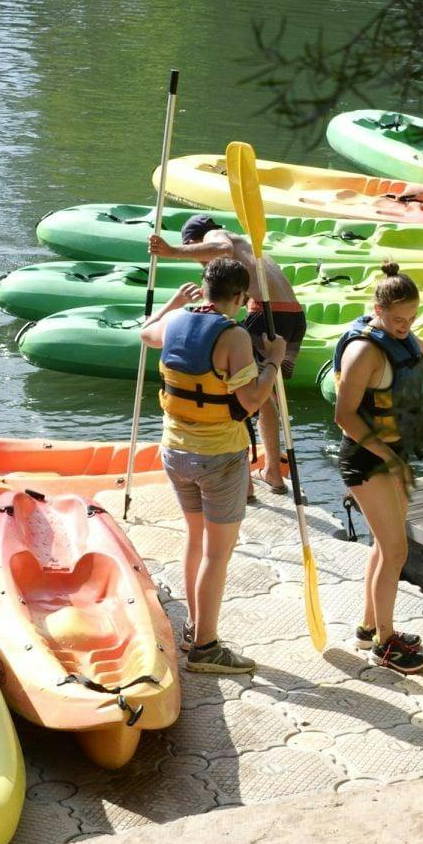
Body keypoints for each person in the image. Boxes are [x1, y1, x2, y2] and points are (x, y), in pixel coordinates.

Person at [138, 257, 287, 674]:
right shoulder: (235, 335)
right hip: (218, 456)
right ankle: (206, 645)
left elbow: (145, 333)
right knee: (217, 554)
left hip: (174, 450)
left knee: (196, 539)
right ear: (240, 297)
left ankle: (193, 627)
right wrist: (273, 359)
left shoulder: (176, 322)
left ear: (204, 289)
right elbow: (251, 401)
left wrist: (171, 302)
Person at [329, 262, 423, 674]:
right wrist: (388, 458)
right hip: (367, 459)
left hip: (394, 455)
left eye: (410, 319)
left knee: (383, 547)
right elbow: (344, 416)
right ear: (378, 308)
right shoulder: (364, 351)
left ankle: (370, 629)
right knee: (396, 550)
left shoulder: (403, 339)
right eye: (397, 319)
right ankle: (385, 645)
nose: (404, 326)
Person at [149, 214, 305, 497]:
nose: (202, 263)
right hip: (293, 315)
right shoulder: (244, 244)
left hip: (267, 313)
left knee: (237, 394)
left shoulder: (216, 236)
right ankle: (272, 472)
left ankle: (244, 484)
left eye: (197, 254)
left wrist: (172, 252)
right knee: (266, 395)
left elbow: (221, 251)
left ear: (194, 241)